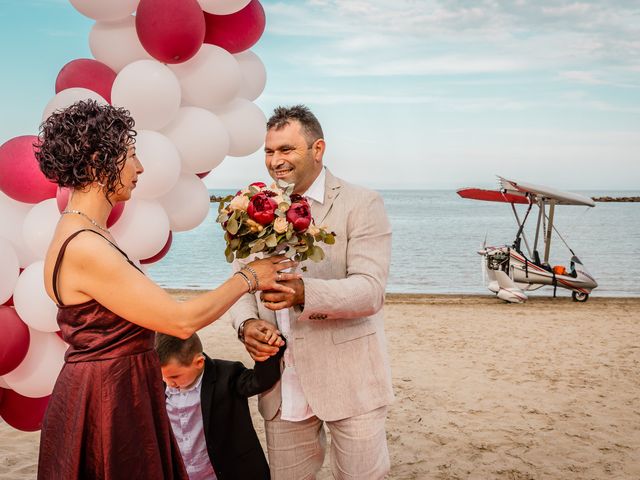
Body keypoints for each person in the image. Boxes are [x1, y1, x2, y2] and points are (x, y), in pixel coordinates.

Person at [35, 100, 295, 479]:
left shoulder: (84, 231)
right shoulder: (85, 244)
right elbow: (181, 321)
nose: (139, 167)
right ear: (98, 162)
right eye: (130, 156)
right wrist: (249, 278)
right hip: (107, 397)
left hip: (116, 387)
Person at [228, 105, 394, 479]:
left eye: (287, 150)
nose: (275, 161)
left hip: (350, 383)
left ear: (317, 149)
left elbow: (370, 291)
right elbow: (239, 284)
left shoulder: (362, 204)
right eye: (270, 151)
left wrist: (304, 293)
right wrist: (247, 325)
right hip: (280, 385)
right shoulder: (253, 207)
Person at [156, 332, 285, 480]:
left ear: (199, 362)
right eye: (163, 376)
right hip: (183, 471)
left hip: (223, 471)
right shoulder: (160, 385)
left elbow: (260, 381)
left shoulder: (227, 375)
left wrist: (269, 349)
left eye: (174, 376)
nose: (169, 383)